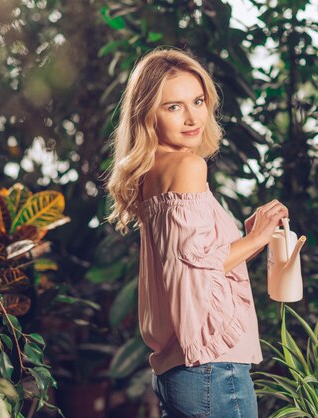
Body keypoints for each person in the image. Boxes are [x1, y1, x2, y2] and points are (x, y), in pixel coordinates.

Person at [105, 47, 289, 418]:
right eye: (173, 106)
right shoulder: (188, 165)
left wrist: (250, 239)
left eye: (198, 101)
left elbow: (191, 267)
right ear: (147, 113)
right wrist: (255, 239)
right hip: (211, 367)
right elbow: (197, 270)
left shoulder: (152, 170)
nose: (192, 118)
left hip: (181, 369)